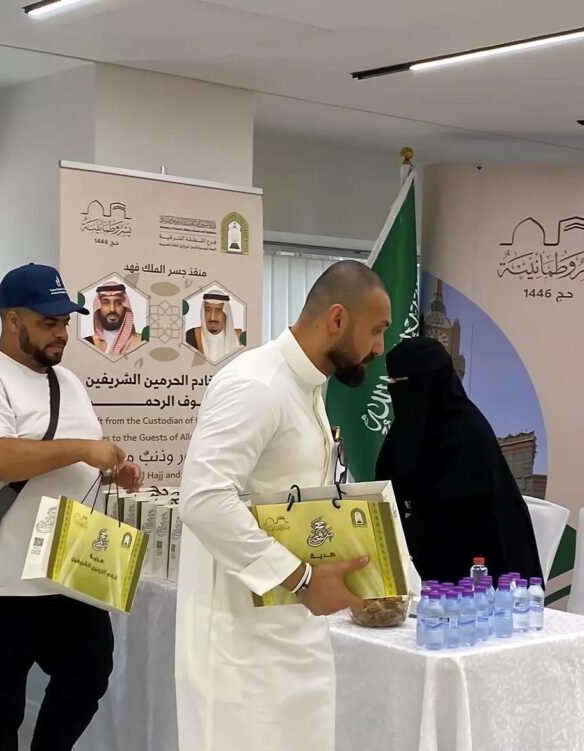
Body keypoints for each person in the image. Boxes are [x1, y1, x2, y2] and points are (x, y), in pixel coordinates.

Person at [175, 260, 392, 751]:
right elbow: (204, 499)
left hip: (292, 635)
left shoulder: (307, 387)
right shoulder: (257, 385)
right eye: (376, 330)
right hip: (239, 648)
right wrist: (303, 579)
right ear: (337, 319)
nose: (379, 348)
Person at [0, 263, 143, 751]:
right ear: (12, 320)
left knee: (90, 673)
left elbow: (77, 459)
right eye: (48, 323)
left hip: (70, 573)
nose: (61, 334)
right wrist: (81, 450)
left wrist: (113, 469)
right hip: (1, 583)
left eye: (65, 323)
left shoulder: (68, 382)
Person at [375, 336, 543, 583]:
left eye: (401, 383)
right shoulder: (410, 427)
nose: (396, 392)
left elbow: (454, 521)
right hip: (419, 562)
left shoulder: (467, 434)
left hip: (477, 576)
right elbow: (387, 487)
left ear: (427, 384)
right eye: (391, 383)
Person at [83, 280, 142, 356]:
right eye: (105, 303)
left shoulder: (141, 341)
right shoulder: (86, 343)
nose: (112, 309)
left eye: (118, 303)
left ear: (125, 307)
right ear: (98, 307)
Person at [185, 289, 244, 362]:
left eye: (218, 311)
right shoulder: (191, 336)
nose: (212, 317)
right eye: (208, 310)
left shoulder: (239, 338)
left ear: (226, 314)